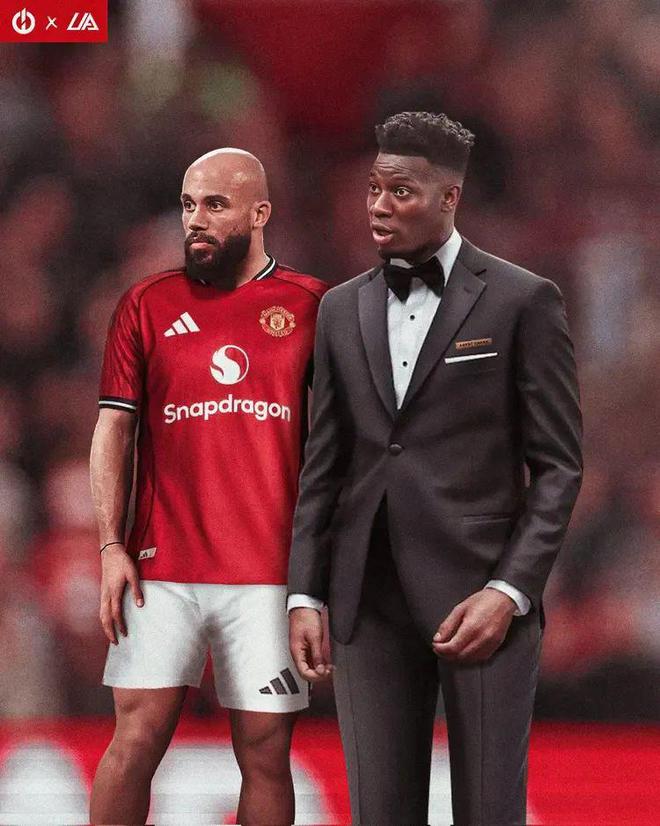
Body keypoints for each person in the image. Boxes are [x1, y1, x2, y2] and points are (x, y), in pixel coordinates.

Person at [288, 112, 582, 825]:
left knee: (489, 813)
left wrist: (509, 592)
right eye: (373, 189)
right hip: (367, 600)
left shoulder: (522, 300)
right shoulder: (339, 310)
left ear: (450, 197)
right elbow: (323, 466)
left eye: (401, 191)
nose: (379, 206)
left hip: (479, 600)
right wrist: (304, 592)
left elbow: (559, 467)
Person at [90, 148, 327, 826]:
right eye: (189, 205)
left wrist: (317, 578)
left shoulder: (313, 305)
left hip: (268, 572)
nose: (196, 219)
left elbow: (338, 448)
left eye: (215, 205)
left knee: (265, 751)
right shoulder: (146, 304)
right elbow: (113, 429)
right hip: (160, 566)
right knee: (135, 737)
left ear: (260, 213)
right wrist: (110, 545)